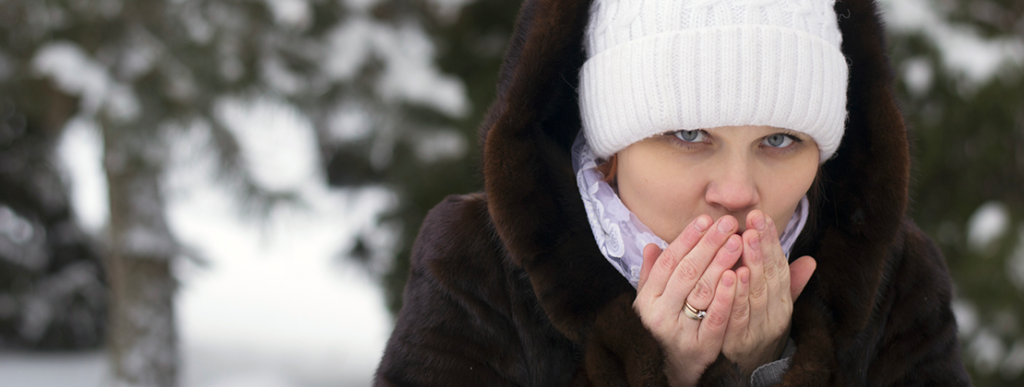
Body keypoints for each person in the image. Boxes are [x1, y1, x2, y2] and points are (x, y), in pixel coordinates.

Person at [374, 0, 971, 386]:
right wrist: (652, 370)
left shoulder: (896, 282)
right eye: (689, 135)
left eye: (781, 139)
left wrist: (773, 368)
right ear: (612, 148)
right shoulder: (477, 266)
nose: (738, 192)